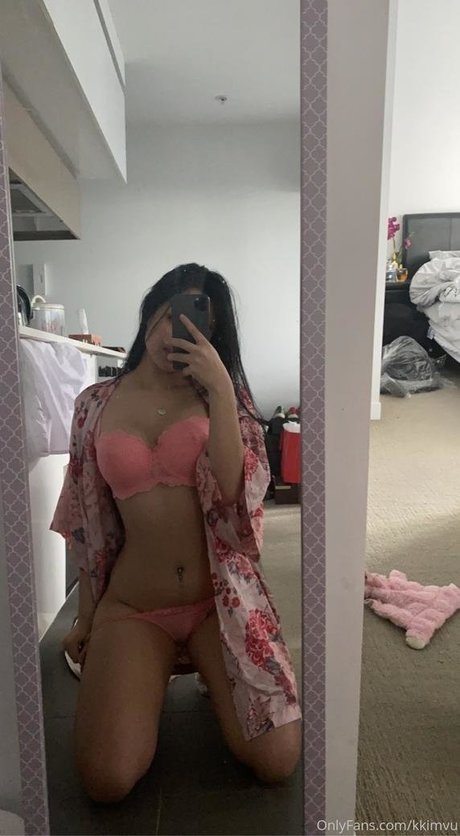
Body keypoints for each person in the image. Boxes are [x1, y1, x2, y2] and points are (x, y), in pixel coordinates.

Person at [51, 263, 301, 804]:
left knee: (276, 760)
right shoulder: (94, 404)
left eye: (195, 325)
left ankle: (209, 676)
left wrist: (221, 391)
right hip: (135, 604)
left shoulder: (221, 399)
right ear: (150, 311)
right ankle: (146, 677)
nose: (175, 334)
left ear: (213, 336)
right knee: (107, 780)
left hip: (219, 603)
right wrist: (87, 617)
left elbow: (236, 497)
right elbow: (85, 522)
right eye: (170, 316)